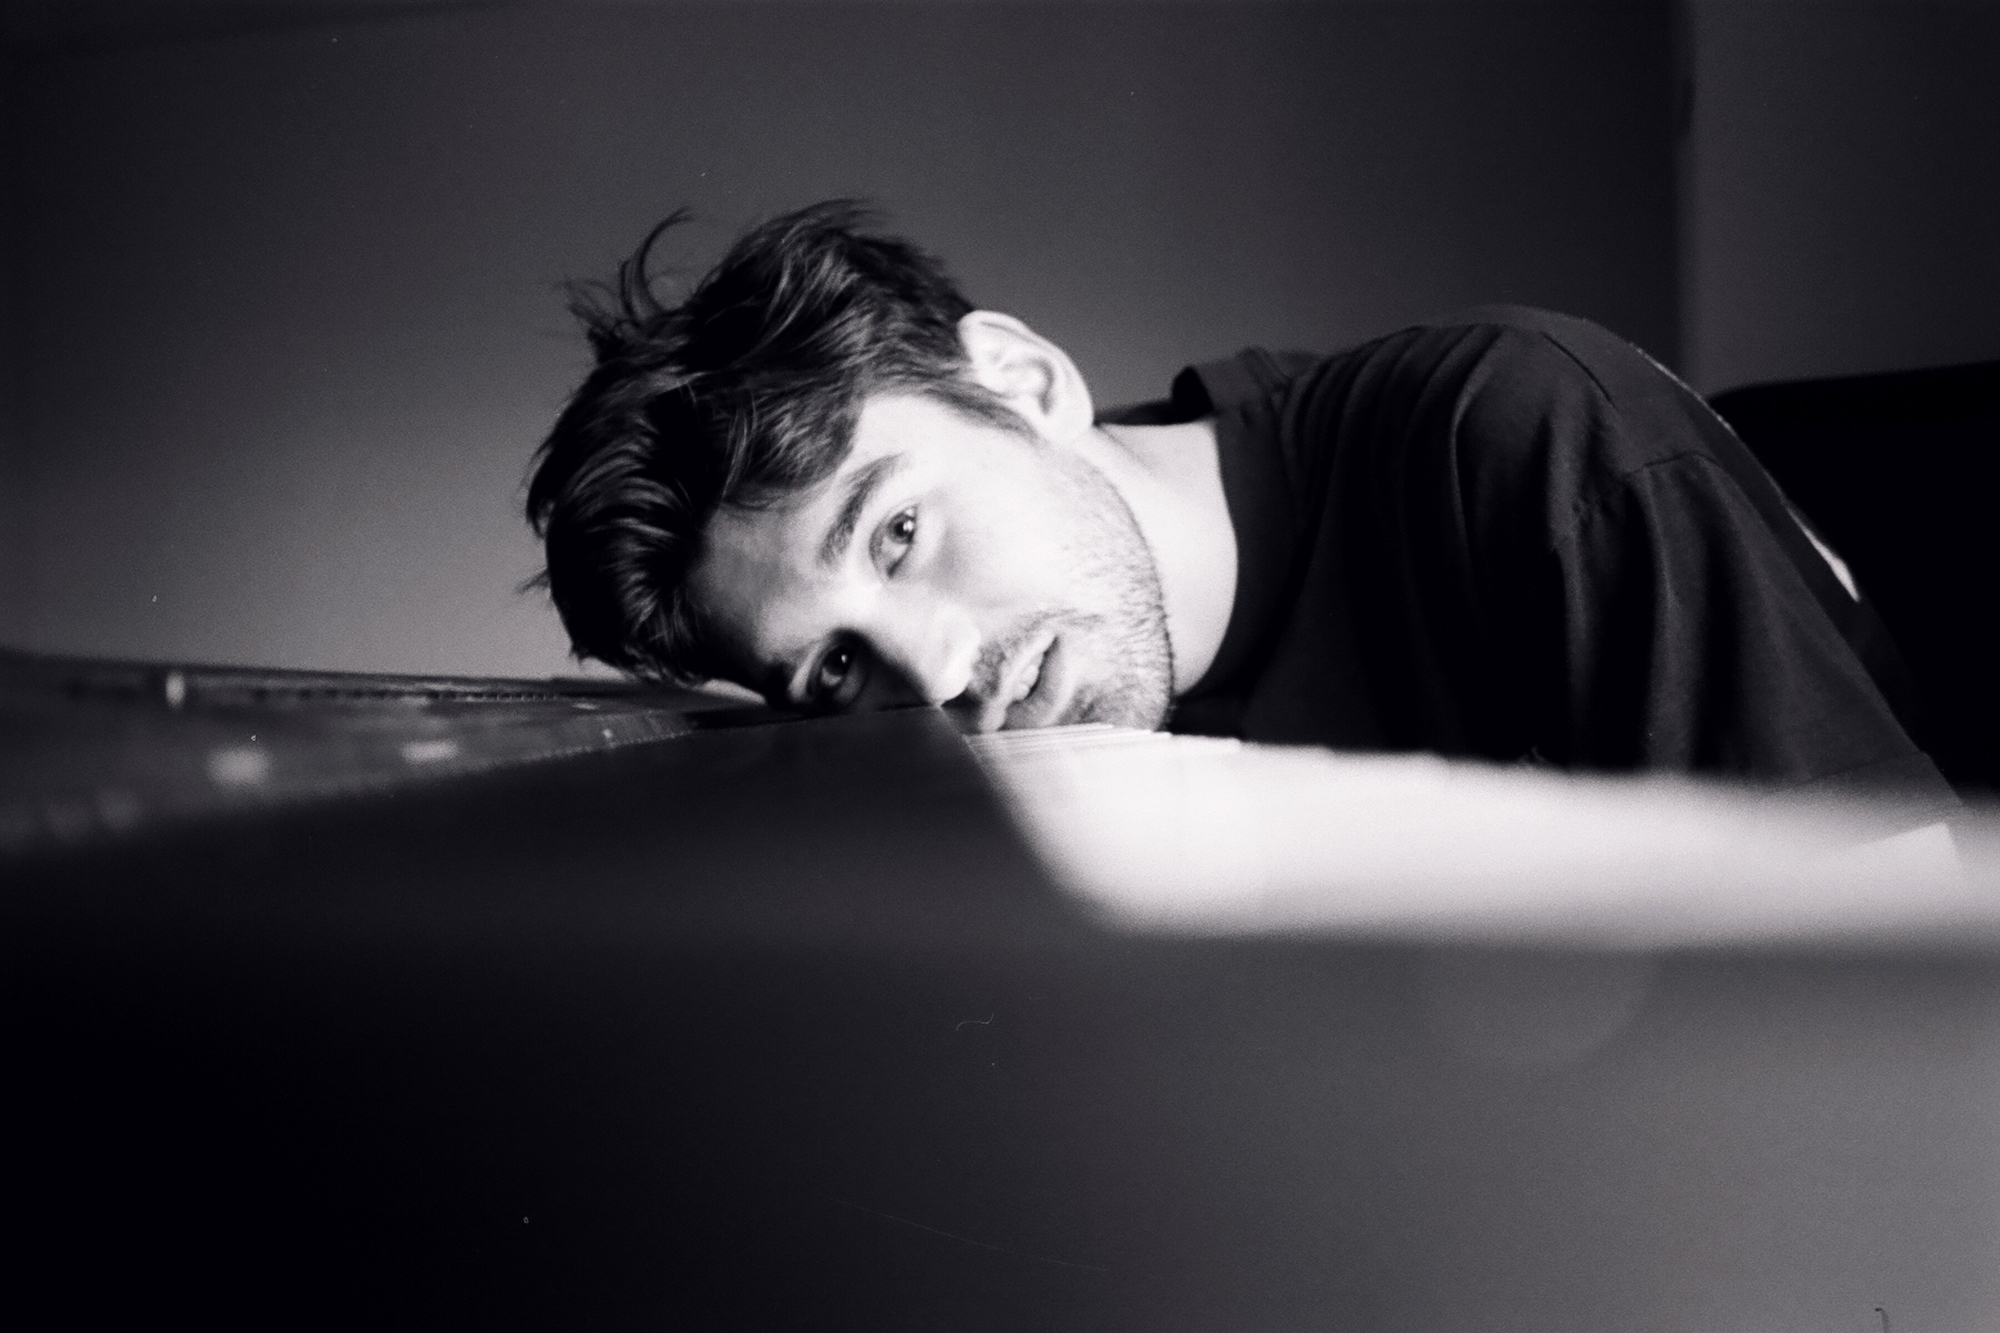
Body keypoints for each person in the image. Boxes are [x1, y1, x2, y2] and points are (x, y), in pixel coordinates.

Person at [524, 201, 1957, 818]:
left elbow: (1911, 1025)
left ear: (1025, 381)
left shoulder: (1522, 430)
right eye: (835, 666)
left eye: (898, 532)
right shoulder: (1022, 712)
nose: (938, 676)